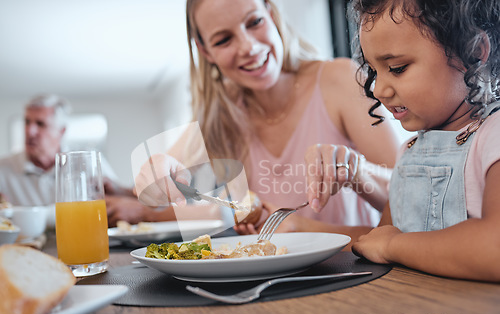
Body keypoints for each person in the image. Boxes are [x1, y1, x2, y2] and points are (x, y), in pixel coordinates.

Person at [135, 0, 402, 235]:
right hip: (275, 283)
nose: (248, 47)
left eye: (254, 22)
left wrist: (355, 170)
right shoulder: (223, 114)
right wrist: (156, 168)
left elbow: (410, 193)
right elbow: (156, 191)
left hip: (357, 273)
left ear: (271, 14)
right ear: (206, 52)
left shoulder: (340, 79)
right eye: (223, 40)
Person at [317, 0, 500, 281]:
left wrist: (393, 246)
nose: (378, 90)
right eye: (374, 71)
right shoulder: (410, 151)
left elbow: (494, 249)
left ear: (473, 53)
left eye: (398, 68)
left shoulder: (493, 136)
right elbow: (377, 240)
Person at [0, 94, 152, 226]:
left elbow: (124, 205)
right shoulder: (3, 168)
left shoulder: (88, 161)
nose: (29, 131)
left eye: (40, 124)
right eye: (27, 122)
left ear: (61, 131)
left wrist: (117, 190)